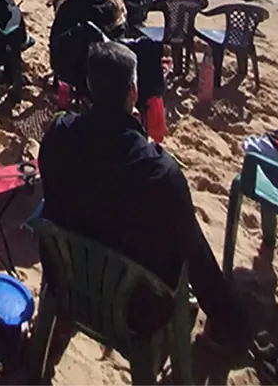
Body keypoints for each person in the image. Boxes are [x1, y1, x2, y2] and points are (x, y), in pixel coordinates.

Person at [39, 41, 248, 349]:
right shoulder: (159, 171)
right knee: (186, 241)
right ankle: (227, 317)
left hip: (65, 281)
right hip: (134, 311)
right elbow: (192, 250)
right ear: (133, 94)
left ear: (89, 88)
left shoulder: (57, 135)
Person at [49, 0, 128, 96]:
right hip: (106, 71)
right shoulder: (115, 8)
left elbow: (55, 39)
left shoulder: (69, 7)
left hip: (71, 72)